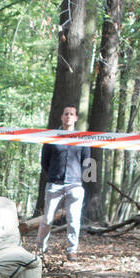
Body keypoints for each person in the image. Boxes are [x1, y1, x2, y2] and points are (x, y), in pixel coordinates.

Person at [36, 105, 91, 261]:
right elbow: (44, 161)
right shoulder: (53, 137)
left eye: (71, 114)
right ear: (62, 117)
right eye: (66, 113)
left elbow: (88, 161)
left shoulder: (82, 138)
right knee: (47, 220)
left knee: (73, 221)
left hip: (75, 185)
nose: (68, 116)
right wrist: (54, 175)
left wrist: (82, 181)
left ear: (76, 118)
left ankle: (72, 250)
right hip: (54, 184)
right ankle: (40, 249)